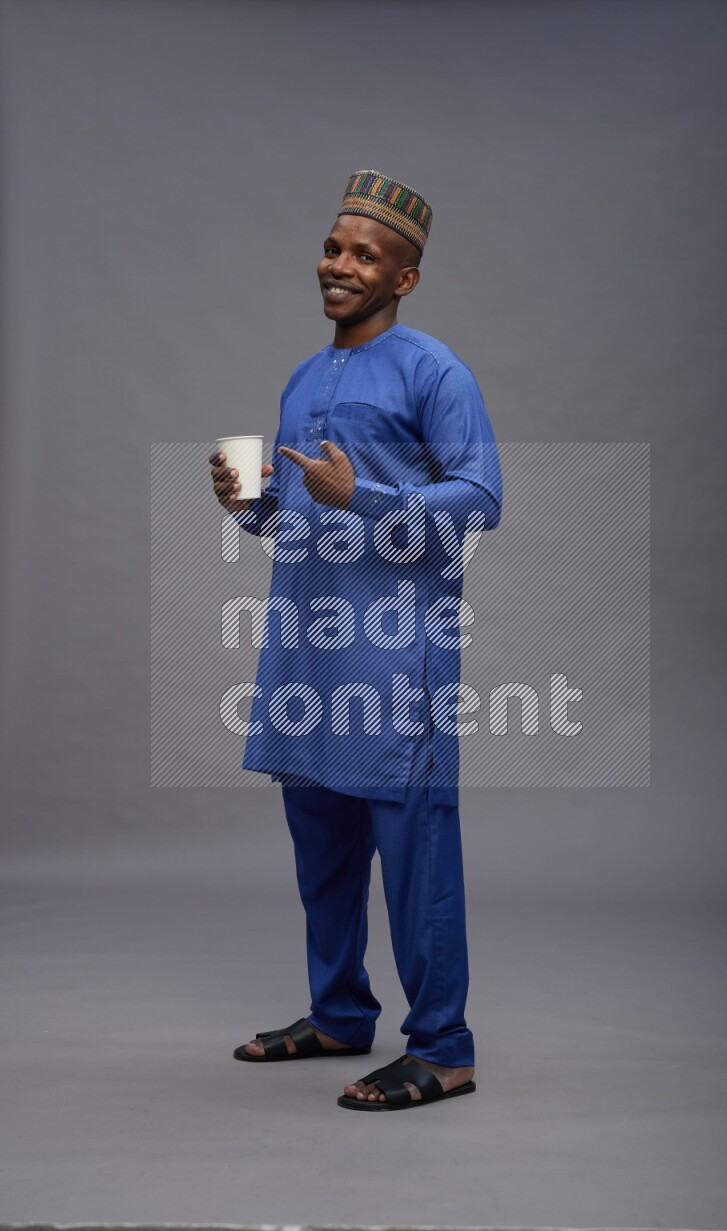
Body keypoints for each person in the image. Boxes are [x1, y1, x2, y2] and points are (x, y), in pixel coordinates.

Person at [209, 170, 502, 1110]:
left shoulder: (434, 370)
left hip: (392, 656)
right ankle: (338, 1013)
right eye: (335, 247)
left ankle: (444, 1046)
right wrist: (251, 503)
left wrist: (365, 495)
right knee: (322, 849)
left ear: (404, 278)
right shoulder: (304, 377)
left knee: (415, 851)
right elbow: (296, 517)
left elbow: (481, 500)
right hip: (307, 650)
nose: (338, 264)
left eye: (363, 254)